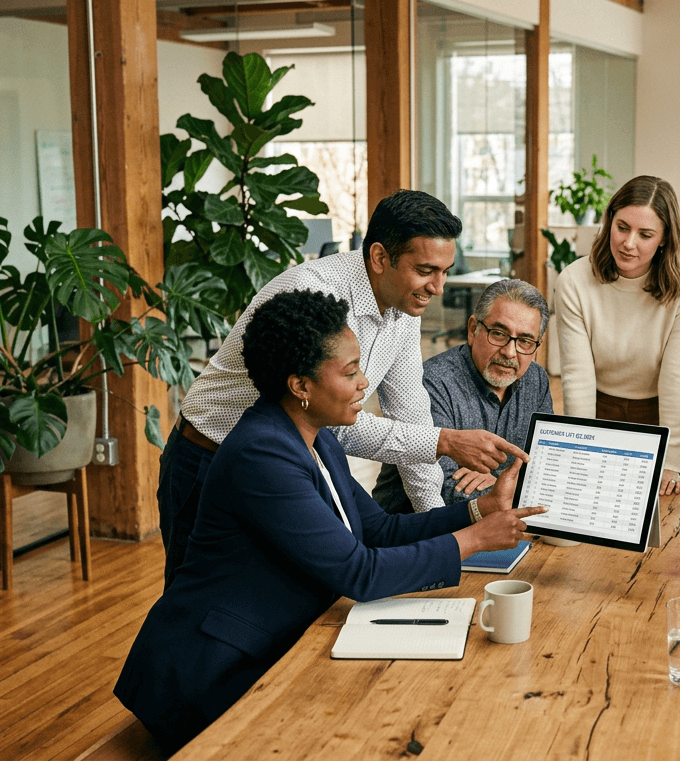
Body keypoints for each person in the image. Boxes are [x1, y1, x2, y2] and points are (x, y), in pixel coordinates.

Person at [115, 291, 547, 753]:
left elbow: (378, 530)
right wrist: (475, 540)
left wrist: (479, 511)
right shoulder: (262, 455)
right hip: (211, 670)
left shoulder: (314, 439)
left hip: (271, 646)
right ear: (300, 385)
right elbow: (358, 572)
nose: (364, 382)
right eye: (349, 371)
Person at [157, 190, 527, 588]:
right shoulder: (313, 294)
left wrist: (442, 535)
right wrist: (445, 445)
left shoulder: (404, 305)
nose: (438, 287)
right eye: (425, 270)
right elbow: (340, 424)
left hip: (298, 457)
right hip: (207, 454)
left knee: (282, 596)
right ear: (381, 257)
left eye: (444, 270)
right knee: (204, 595)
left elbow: (412, 416)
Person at [556, 175, 680, 495]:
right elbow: (577, 378)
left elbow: (677, 376)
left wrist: (670, 460)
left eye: (645, 234)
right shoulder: (574, 280)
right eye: (622, 227)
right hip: (600, 413)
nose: (629, 243)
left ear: (664, 238)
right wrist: (582, 450)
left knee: (663, 531)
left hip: (663, 418)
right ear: (609, 220)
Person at [372, 279, 554, 514]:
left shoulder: (536, 380)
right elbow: (444, 491)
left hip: (498, 526)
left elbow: (545, 469)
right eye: (498, 334)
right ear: (472, 330)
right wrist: (510, 487)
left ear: (536, 348)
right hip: (409, 531)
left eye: (525, 341)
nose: (510, 352)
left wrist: (501, 484)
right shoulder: (433, 382)